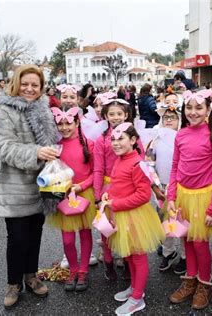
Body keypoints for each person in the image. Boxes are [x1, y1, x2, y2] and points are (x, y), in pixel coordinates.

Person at [0, 65, 59, 309]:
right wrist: (37, 152)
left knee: (35, 235)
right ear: (16, 84)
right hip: (14, 187)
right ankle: (13, 284)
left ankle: (31, 276)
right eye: (25, 84)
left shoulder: (44, 111)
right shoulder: (3, 112)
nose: (30, 89)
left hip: (40, 186)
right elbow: (2, 146)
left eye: (35, 85)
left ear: (41, 89)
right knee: (17, 238)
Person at [167, 89, 212, 310]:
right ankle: (190, 279)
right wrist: (172, 196)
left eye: (198, 108)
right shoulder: (181, 134)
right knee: (186, 240)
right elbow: (175, 167)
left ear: (208, 110)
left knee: (200, 244)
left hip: (204, 198)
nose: (193, 112)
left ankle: (205, 284)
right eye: (189, 107)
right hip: (183, 196)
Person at [102, 123, 165, 315]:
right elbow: (118, 184)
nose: (115, 143)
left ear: (132, 140)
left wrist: (114, 204)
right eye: (113, 139)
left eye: (120, 138)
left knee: (137, 256)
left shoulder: (137, 163)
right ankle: (134, 288)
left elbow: (143, 196)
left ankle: (138, 298)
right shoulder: (121, 159)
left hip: (134, 216)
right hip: (121, 214)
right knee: (128, 255)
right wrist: (107, 195)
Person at [93, 99, 144, 281]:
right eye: (111, 114)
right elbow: (98, 169)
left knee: (126, 228)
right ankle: (108, 262)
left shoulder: (133, 137)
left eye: (119, 114)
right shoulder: (101, 140)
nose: (115, 117)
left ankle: (127, 262)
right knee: (106, 229)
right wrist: (97, 196)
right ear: (105, 116)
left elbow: (141, 161)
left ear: (126, 115)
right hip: (108, 188)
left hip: (127, 187)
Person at [47, 105, 96, 292]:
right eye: (60, 124)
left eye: (69, 123)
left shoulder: (88, 144)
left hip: (83, 194)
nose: (64, 128)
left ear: (77, 122)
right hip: (63, 196)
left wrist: (81, 186)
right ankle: (73, 270)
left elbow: (95, 172)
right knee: (67, 239)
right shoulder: (55, 147)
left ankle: (83, 270)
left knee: (84, 233)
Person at [145, 93, 186, 274]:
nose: (169, 120)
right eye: (166, 117)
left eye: (173, 117)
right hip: (162, 188)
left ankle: (185, 256)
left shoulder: (184, 138)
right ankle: (168, 252)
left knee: (183, 223)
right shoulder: (155, 140)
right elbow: (149, 165)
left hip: (183, 189)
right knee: (166, 224)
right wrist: (156, 186)